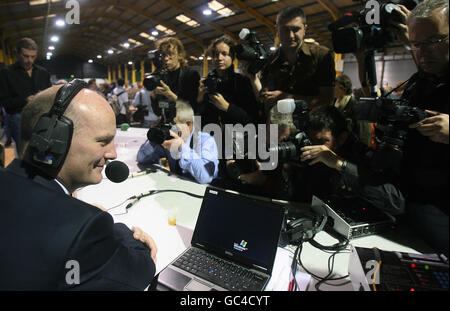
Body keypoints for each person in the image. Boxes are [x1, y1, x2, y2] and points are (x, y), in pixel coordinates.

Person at [0, 80, 157, 290]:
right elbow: (138, 271)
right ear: (53, 139)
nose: (113, 154)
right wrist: (120, 232)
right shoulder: (85, 229)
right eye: (103, 141)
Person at [393, 0, 448, 255]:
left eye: (435, 41)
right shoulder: (421, 81)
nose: (423, 52)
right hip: (409, 200)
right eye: (416, 44)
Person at [292, 105, 405, 216]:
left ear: (342, 138)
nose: (315, 147)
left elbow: (396, 203)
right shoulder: (309, 149)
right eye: (312, 140)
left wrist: (341, 164)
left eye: (323, 141)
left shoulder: (363, 155)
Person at [246, 6, 336, 120]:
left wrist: (286, 98)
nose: (290, 36)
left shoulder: (321, 56)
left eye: (296, 29)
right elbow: (264, 96)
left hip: (311, 128)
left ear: (305, 29)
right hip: (277, 127)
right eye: (285, 30)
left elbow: (327, 100)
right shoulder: (270, 60)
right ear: (277, 31)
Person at [197, 35, 259, 182]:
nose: (219, 58)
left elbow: (251, 120)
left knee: (236, 183)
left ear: (232, 56)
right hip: (212, 144)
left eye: (224, 54)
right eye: (215, 54)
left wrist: (227, 107)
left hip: (238, 145)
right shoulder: (205, 84)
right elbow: (198, 119)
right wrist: (199, 99)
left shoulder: (242, 82)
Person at [137, 100, 219, 184]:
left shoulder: (206, 141)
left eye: (172, 125)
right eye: (165, 125)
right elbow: (141, 159)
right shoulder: (169, 139)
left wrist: (182, 147)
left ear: (188, 124)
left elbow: (206, 178)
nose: (169, 130)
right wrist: (153, 140)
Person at [0, 37, 51, 152]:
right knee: (26, 152)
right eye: (26, 56)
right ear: (18, 54)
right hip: (19, 115)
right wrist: (25, 100)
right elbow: (5, 102)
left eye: (33, 57)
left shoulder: (43, 73)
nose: (30, 60)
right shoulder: (6, 73)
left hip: (41, 115)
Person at [150, 37, 200, 123]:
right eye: (163, 55)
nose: (166, 58)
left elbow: (194, 109)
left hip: (186, 126)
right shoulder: (161, 76)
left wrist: (172, 97)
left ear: (180, 55)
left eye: (170, 54)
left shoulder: (191, 75)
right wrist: (153, 97)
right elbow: (158, 112)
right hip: (167, 125)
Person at [334, 74, 373, 146]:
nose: (332, 89)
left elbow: (364, 133)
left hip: (351, 149)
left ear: (343, 88)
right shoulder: (335, 103)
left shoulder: (356, 106)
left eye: (334, 86)